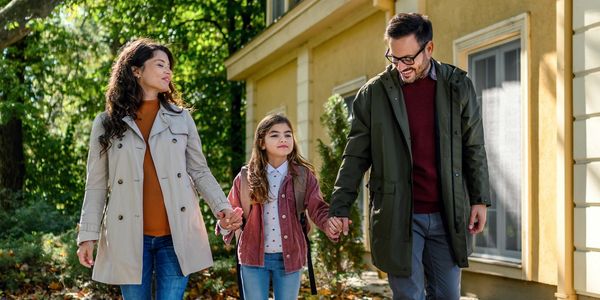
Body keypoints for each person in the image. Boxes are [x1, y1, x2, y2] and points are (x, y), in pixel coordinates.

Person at [328, 13, 491, 300]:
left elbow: (473, 146)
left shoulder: (458, 86)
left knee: (447, 295)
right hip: (398, 215)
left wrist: (479, 198)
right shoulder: (374, 94)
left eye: (408, 59)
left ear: (429, 48)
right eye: (393, 57)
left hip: (448, 212)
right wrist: (340, 207)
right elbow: (354, 155)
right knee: (408, 296)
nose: (400, 66)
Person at [75, 38, 242, 299]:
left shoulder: (181, 118)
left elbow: (199, 171)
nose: (169, 72)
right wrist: (87, 235)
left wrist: (222, 207)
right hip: (128, 237)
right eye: (160, 64)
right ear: (136, 70)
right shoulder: (107, 123)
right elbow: (95, 184)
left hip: (177, 235)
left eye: (170, 67)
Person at [216, 114, 341, 300]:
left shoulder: (303, 176)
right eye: (274, 135)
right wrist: (227, 223)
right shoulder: (245, 178)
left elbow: (318, 207)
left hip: (290, 257)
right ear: (262, 143)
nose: (283, 138)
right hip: (252, 258)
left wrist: (328, 223)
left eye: (288, 134)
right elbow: (228, 215)